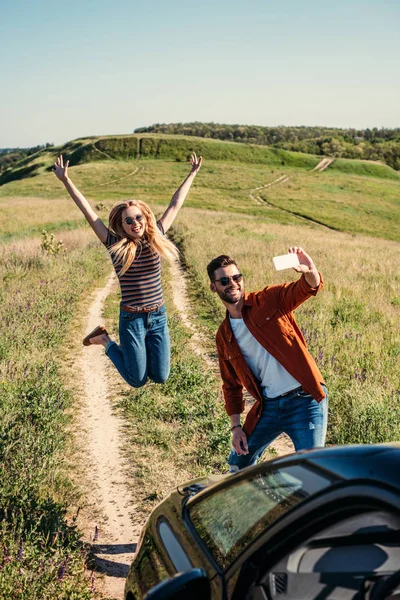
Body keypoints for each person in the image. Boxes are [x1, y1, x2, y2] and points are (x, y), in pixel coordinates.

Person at [53, 152, 202, 387]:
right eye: (129, 221)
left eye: (138, 217)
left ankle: (138, 353)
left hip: (158, 316)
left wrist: (192, 173)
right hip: (132, 318)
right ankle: (104, 340)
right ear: (121, 225)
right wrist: (66, 180)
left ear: (145, 217)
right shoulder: (115, 244)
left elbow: (175, 204)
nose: (135, 223)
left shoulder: (157, 236)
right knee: (137, 380)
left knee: (161, 376)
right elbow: (88, 213)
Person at [206, 248, 328, 472]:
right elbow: (230, 385)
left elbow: (307, 287)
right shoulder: (224, 335)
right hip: (269, 406)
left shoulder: (269, 300)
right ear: (214, 287)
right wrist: (236, 428)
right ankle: (261, 502)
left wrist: (310, 271)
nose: (232, 283)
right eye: (224, 280)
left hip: (305, 400)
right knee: (237, 465)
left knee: (311, 469)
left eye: (236, 277)